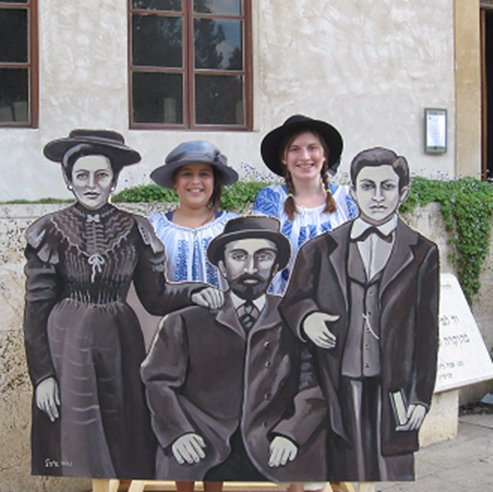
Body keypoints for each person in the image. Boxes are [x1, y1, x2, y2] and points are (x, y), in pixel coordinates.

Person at [23, 129, 223, 480]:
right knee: (76, 439)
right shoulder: (49, 230)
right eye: (81, 175)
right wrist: (42, 376)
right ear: (68, 180)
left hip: (119, 343)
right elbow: (35, 310)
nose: (91, 184)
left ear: (114, 180)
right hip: (66, 346)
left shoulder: (136, 228)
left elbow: (155, 296)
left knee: (124, 436)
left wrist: (193, 291)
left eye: (101, 175)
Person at [280, 147, 440, 481]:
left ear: (403, 192)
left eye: (387, 187)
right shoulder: (319, 250)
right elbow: (292, 302)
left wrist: (421, 397)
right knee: (338, 466)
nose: (377, 196)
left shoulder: (423, 253)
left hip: (393, 385)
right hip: (336, 382)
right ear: (352, 191)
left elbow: (427, 331)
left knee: (386, 468)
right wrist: (307, 318)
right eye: (367, 186)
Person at [141, 216, 328, 483]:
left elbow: (315, 385)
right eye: (239, 256)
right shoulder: (184, 320)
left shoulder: (296, 318)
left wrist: (291, 433)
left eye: (263, 257)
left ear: (276, 267)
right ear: (222, 266)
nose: (250, 267)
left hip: (274, 447)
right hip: (203, 445)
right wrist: (179, 432)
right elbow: (157, 382)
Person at [253, 114, 358, 294]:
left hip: (341, 312)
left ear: (324, 154)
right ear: (284, 158)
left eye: (312, 148)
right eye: (294, 149)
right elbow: (257, 258)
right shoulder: (271, 199)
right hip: (282, 313)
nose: (305, 156)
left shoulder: (347, 199)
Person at [149, 140, 238, 288]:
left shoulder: (233, 227)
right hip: (170, 311)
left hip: (224, 311)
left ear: (215, 182)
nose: (195, 181)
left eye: (204, 174)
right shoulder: (154, 228)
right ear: (175, 182)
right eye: (187, 174)